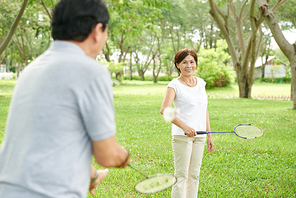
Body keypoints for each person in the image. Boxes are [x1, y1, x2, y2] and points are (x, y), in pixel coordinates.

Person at [0, 0, 130, 197]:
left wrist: (92, 175)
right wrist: (124, 156)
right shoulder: (90, 71)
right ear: (97, 30)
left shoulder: (32, 69)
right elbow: (107, 155)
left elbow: (48, 140)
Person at [160, 49, 214, 198]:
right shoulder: (174, 85)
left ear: (196, 63)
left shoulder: (201, 83)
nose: (188, 65)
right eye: (184, 62)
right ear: (178, 65)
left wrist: (209, 134)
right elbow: (164, 110)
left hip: (200, 136)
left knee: (194, 175)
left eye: (192, 62)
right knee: (181, 176)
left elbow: (204, 110)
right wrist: (185, 127)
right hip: (182, 136)